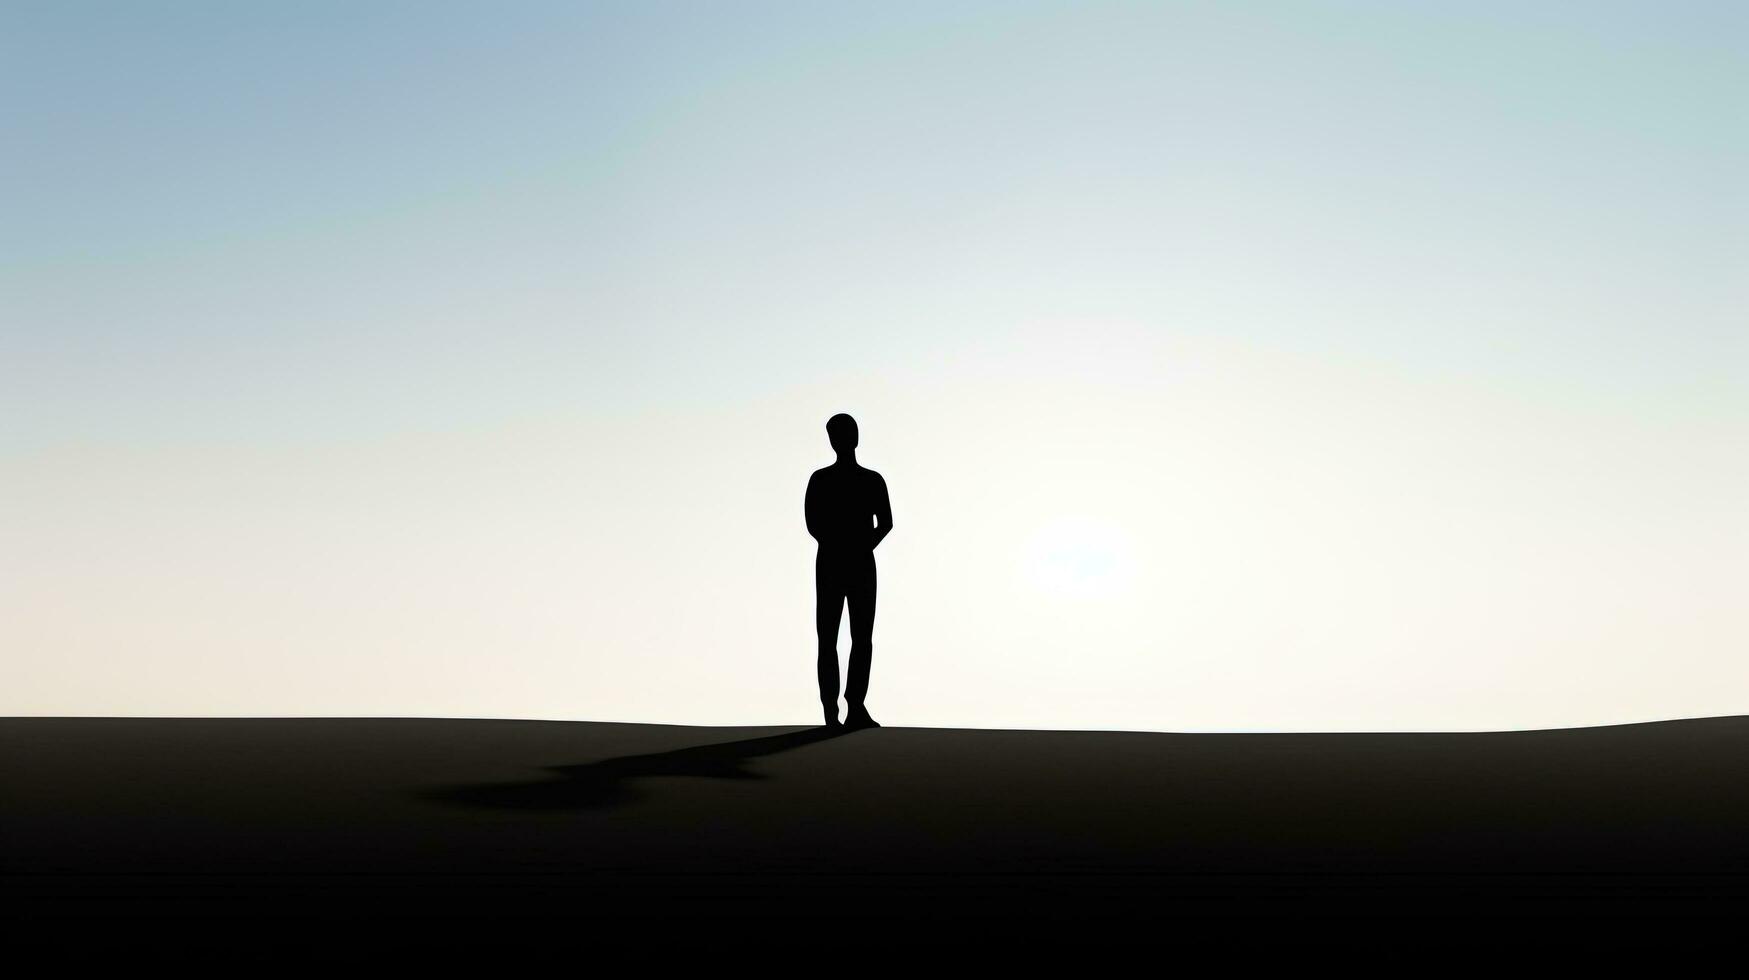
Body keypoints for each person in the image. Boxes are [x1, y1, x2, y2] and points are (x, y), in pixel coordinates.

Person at [805, 413, 892, 730]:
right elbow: (813, 523)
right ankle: (832, 711)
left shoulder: (871, 480)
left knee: (860, 637)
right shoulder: (821, 479)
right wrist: (852, 543)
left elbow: (885, 523)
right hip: (834, 562)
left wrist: (862, 544)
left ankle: (855, 706)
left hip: (855, 563)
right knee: (829, 638)